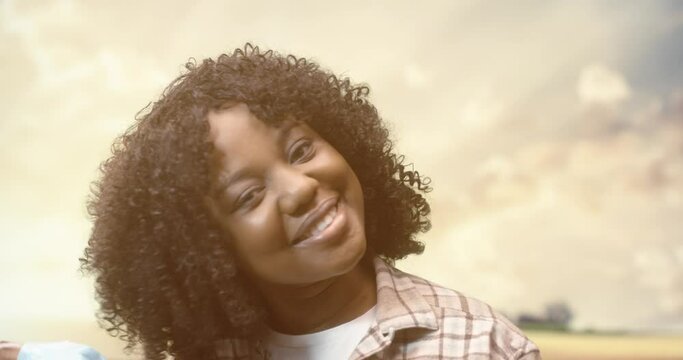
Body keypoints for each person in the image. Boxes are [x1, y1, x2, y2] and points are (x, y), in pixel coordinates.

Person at [76, 44, 539, 360]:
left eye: (301, 150)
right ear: (208, 254)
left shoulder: (478, 343)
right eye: (249, 196)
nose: (300, 188)